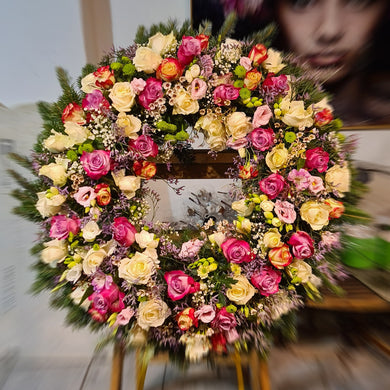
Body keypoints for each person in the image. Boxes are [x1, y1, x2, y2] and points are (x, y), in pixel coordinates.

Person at [192, 0, 390, 126]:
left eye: (357, 2)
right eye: (302, 3)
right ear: (270, 9)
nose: (329, 30)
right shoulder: (241, 123)